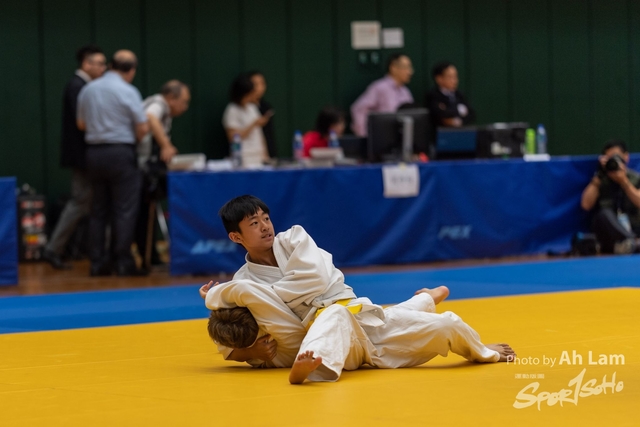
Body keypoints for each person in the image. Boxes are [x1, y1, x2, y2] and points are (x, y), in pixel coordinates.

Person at [201, 195, 515, 384]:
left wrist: (226, 295)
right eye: (254, 223)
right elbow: (225, 339)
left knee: (447, 323)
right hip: (330, 340)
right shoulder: (244, 281)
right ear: (236, 237)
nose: (265, 226)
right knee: (333, 314)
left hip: (365, 320)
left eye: (266, 218)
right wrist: (249, 352)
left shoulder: (293, 239)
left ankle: (475, 346)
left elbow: (314, 279)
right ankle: (309, 372)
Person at [77, 50, 149, 276]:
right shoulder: (128, 91)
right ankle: (123, 262)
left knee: (98, 210)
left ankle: (97, 263)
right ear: (132, 70)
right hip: (120, 152)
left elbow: (81, 124)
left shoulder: (88, 89)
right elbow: (142, 128)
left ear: (110, 65)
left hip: (94, 153)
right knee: (124, 210)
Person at [43, 45, 106, 270]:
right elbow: (83, 123)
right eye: (100, 63)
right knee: (79, 202)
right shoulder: (78, 87)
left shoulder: (82, 86)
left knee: (85, 203)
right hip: (82, 156)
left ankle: (61, 248)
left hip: (85, 155)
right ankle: (53, 249)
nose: (103, 68)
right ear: (86, 64)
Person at [135, 80, 190, 270]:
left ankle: (151, 255)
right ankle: (146, 256)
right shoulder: (158, 104)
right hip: (141, 167)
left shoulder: (165, 110)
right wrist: (166, 145)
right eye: (184, 101)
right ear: (171, 98)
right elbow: (151, 117)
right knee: (144, 213)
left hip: (146, 165)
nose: (185, 107)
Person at [580, 140, 640, 254]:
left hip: (634, 228)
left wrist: (624, 182)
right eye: (609, 158)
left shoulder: (635, 178)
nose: (613, 161)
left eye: (616, 157)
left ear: (626, 157)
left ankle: (628, 245)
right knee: (603, 214)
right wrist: (599, 175)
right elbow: (585, 205)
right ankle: (633, 242)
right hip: (609, 233)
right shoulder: (600, 180)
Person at [350, 53, 415, 137]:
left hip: (401, 137)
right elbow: (358, 109)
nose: (410, 72)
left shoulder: (405, 91)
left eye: (410, 68)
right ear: (393, 68)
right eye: (406, 67)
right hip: (381, 137)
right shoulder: (379, 88)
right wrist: (366, 136)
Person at [222, 74, 273, 168]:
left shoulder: (252, 107)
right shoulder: (232, 110)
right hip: (243, 158)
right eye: (249, 94)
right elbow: (233, 137)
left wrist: (265, 155)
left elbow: (260, 134)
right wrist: (254, 124)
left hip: (258, 156)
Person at [425, 61, 475, 129]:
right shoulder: (433, 95)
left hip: (461, 132)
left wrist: (457, 121)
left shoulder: (459, 94)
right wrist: (459, 110)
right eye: (450, 77)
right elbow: (440, 115)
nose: (454, 81)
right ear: (439, 78)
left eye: (455, 77)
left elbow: (471, 114)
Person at [248, 71, 277, 159]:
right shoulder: (242, 107)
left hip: (265, 154)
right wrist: (256, 123)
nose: (259, 88)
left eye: (262, 84)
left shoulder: (266, 107)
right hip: (249, 155)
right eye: (256, 84)